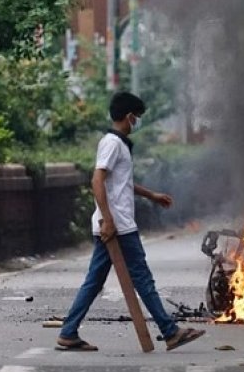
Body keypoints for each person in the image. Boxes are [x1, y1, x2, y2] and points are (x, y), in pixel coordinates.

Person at [57, 92, 205, 352]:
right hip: (119, 227)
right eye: (136, 117)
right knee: (142, 279)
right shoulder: (112, 143)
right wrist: (108, 220)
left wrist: (152, 195)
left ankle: (68, 332)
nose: (137, 122)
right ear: (129, 117)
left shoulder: (116, 143)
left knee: (94, 282)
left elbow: (120, 182)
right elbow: (97, 180)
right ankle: (170, 332)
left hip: (115, 225)